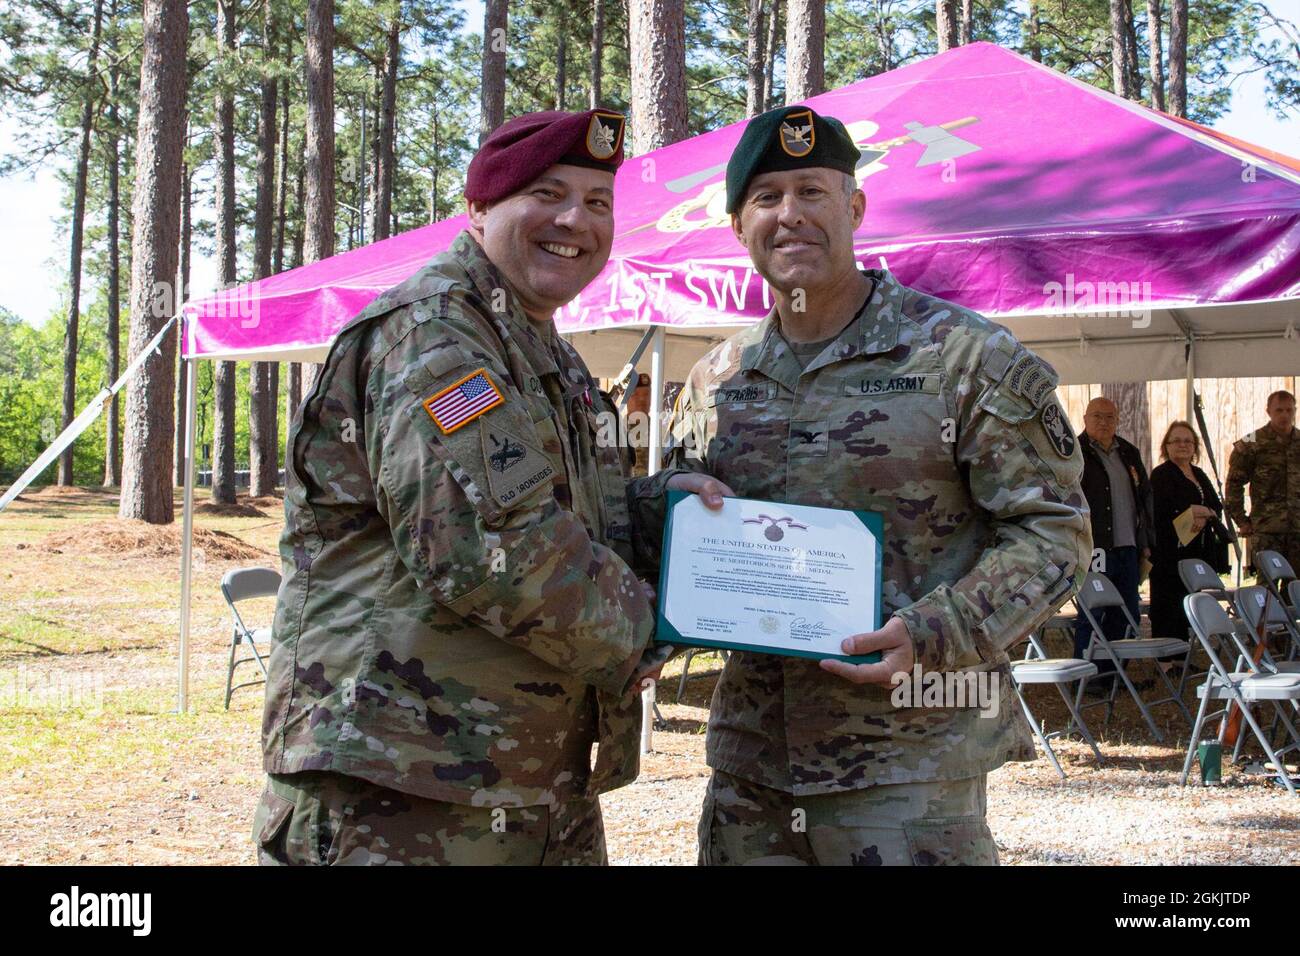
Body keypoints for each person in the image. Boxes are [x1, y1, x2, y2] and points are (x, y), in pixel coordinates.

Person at [253, 109, 719, 866]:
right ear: (477, 210)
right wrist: (647, 627)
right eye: (547, 192)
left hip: (523, 776)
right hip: (403, 786)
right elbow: (487, 545)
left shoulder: (540, 346)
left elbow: (559, 510)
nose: (575, 219)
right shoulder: (437, 333)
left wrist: (670, 511)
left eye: (598, 202)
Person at [631, 105, 1092, 866]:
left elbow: (1056, 535)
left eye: (812, 192)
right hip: (753, 770)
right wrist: (660, 516)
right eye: (766, 198)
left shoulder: (965, 357)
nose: (790, 216)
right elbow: (684, 530)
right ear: (738, 225)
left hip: (907, 770)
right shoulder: (718, 377)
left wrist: (938, 632)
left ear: (854, 207)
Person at [1075, 397, 1153, 665]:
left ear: (1117, 421)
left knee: (1127, 611)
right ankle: (1086, 671)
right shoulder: (1074, 452)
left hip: (1127, 546)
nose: (1104, 422)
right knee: (1093, 611)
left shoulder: (1129, 452)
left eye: (1110, 417)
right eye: (1097, 416)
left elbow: (1144, 498)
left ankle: (1114, 673)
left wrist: (1146, 542)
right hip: (1094, 546)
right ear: (1085, 419)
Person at [1148, 421, 1226, 642]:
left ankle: (1182, 657)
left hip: (1196, 550)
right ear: (1167, 446)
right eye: (1177, 441)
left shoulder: (1199, 473)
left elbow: (1216, 507)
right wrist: (1193, 511)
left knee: (1189, 602)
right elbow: (1162, 510)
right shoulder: (1162, 474)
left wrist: (1202, 511)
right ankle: (1166, 662)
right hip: (1169, 551)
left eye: (1187, 441)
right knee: (1168, 604)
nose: (1182, 445)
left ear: (1195, 446)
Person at [1226, 390, 1300, 585]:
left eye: (1289, 410)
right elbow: (1234, 484)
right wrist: (1241, 519)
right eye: (1279, 410)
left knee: (1297, 588)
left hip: (1298, 529)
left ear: (1295, 411)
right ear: (1268, 411)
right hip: (1267, 529)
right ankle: (1267, 617)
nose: (1284, 415)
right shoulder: (1252, 442)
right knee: (1267, 586)